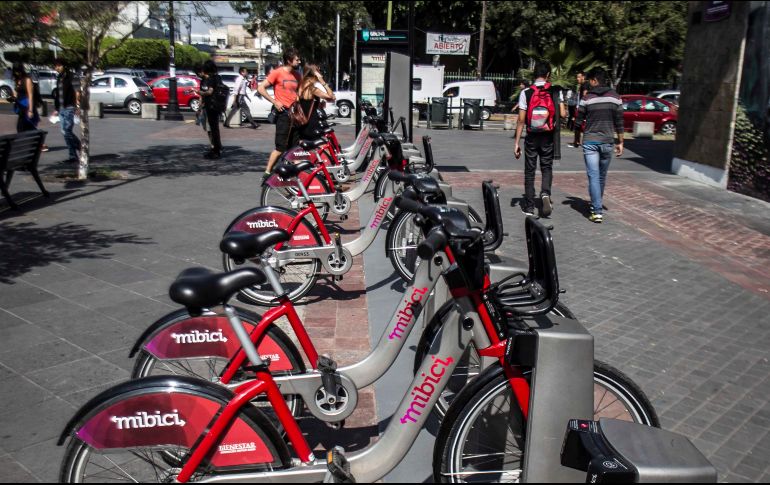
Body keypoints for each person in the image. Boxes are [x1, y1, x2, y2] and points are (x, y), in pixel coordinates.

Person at [513, 63, 566, 218]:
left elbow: (521, 120)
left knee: (529, 171)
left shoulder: (526, 92)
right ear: (548, 75)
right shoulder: (556, 91)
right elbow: (562, 114)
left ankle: (529, 207)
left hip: (531, 136)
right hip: (548, 136)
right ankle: (545, 193)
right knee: (546, 167)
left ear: (533, 75)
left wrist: (516, 142)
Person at [575, 69, 624, 223]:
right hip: (608, 142)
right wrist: (621, 142)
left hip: (590, 142)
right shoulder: (616, 98)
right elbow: (620, 122)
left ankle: (596, 210)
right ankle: (596, 205)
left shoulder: (587, 98)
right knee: (601, 177)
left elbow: (578, 122)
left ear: (595, 80)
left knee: (594, 176)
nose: (588, 83)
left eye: (590, 80)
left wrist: (577, 139)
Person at [258, 47, 302, 182]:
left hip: (294, 114)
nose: (299, 61)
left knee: (294, 147)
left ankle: (298, 175)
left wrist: (299, 101)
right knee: (280, 147)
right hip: (283, 114)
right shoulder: (277, 73)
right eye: (297, 59)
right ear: (289, 60)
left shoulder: (297, 75)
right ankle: (267, 173)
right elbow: (260, 88)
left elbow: (298, 92)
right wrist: (274, 101)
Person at [297, 64, 335, 139]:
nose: (320, 73)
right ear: (315, 74)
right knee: (321, 146)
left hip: (302, 122)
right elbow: (332, 97)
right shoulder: (312, 89)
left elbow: (305, 103)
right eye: (318, 70)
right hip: (311, 123)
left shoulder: (301, 86)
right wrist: (323, 82)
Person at [198, 60, 224, 159]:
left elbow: (209, 92)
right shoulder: (218, 77)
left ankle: (216, 151)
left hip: (211, 105)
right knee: (215, 128)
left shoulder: (211, 79)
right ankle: (216, 149)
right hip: (217, 105)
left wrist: (200, 93)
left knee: (213, 128)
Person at [11, 63, 40, 134]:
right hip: (20, 106)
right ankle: (40, 142)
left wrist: (30, 110)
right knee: (23, 127)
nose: (17, 73)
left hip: (26, 105)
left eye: (18, 71)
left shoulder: (27, 80)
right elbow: (16, 94)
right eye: (15, 71)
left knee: (25, 126)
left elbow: (30, 95)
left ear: (21, 70)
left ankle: (40, 142)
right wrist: (12, 97)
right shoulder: (17, 80)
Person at [568, 71, 589, 148]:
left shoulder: (585, 85)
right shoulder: (583, 85)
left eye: (579, 77)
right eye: (577, 77)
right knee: (578, 125)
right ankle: (577, 142)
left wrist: (581, 107)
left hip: (582, 108)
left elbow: (585, 95)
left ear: (583, 77)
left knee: (578, 125)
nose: (577, 79)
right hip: (580, 107)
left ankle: (576, 142)